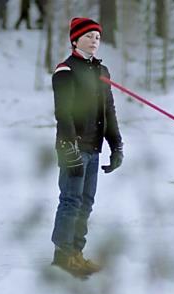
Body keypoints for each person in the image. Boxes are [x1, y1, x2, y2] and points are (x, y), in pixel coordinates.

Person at [50, 17, 123, 278]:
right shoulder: (65, 71)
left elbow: (110, 111)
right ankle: (62, 257)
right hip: (74, 147)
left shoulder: (102, 72)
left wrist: (116, 146)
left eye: (98, 37)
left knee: (86, 203)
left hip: (94, 147)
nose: (94, 41)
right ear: (75, 39)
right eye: (89, 36)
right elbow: (64, 113)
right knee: (70, 201)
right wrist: (69, 147)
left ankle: (76, 254)